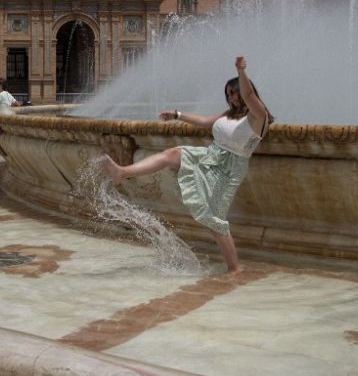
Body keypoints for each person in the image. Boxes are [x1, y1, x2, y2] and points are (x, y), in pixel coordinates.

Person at [102, 55, 271, 275]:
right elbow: (203, 122)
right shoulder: (228, 114)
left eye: (234, 91)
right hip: (209, 155)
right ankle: (122, 172)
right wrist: (177, 114)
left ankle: (235, 268)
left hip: (229, 168)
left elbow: (249, 95)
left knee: (216, 220)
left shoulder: (259, 117)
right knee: (172, 154)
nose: (231, 97)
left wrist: (241, 71)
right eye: (228, 93)